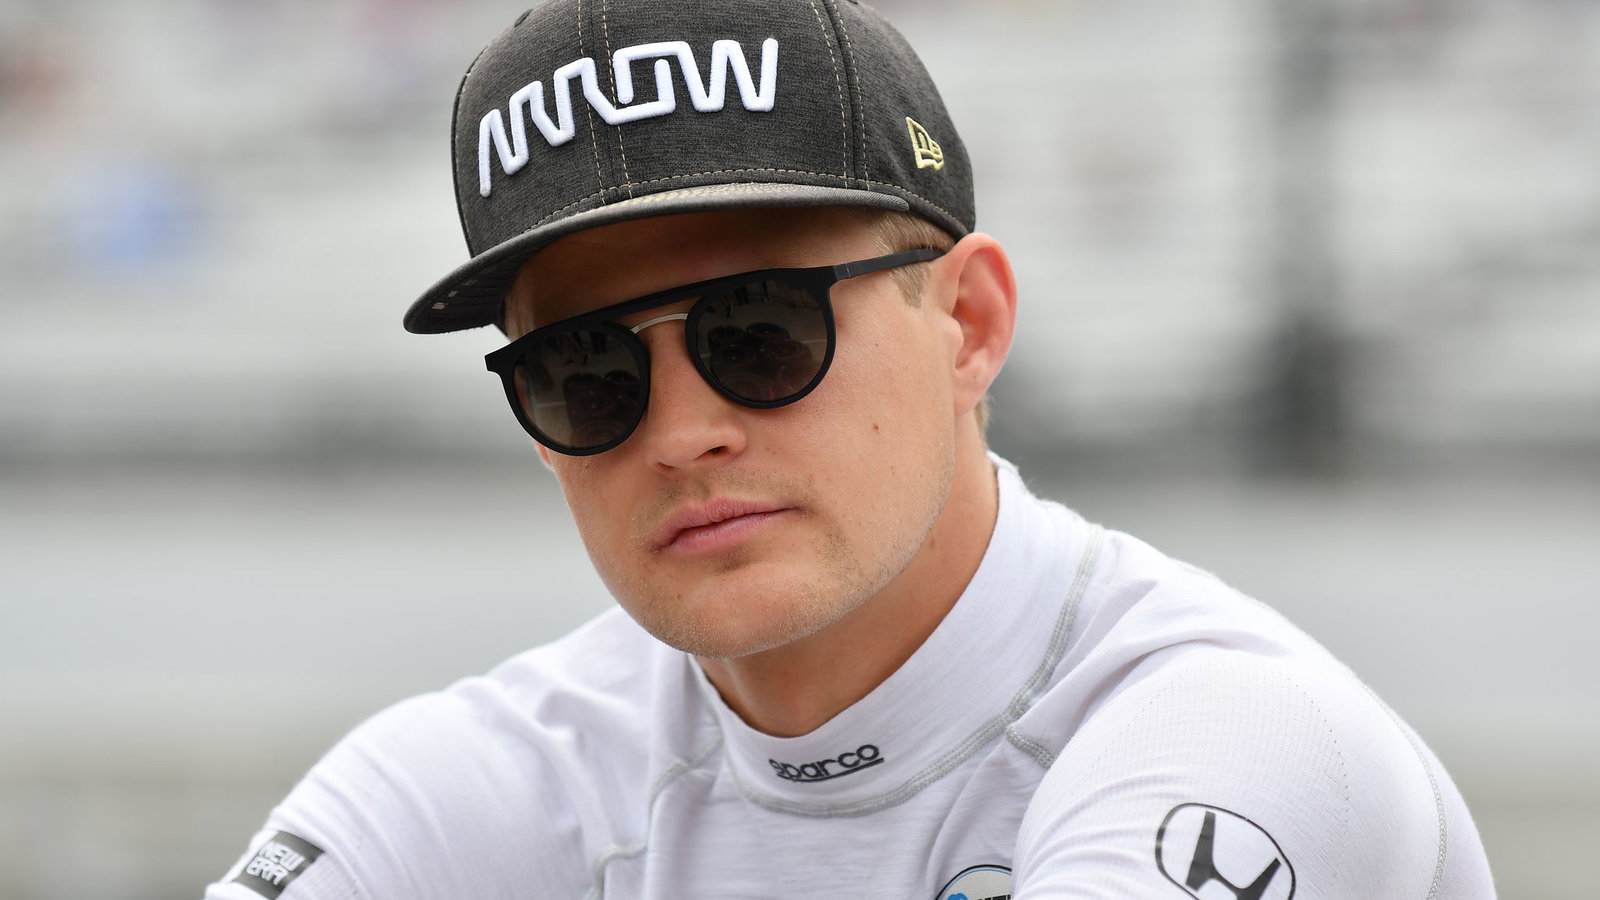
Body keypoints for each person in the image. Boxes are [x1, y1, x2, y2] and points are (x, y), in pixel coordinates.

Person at [206, 1, 1496, 897]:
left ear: (969, 324)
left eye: (759, 330)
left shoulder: (1244, 736)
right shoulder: (478, 778)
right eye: (584, 373)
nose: (684, 433)